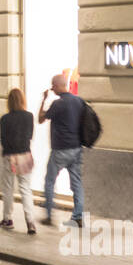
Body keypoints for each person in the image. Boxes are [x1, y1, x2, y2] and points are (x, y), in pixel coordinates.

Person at [38, 72, 86, 227]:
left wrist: (44, 99)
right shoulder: (79, 101)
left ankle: (49, 215)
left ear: (58, 86)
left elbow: (40, 119)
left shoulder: (58, 104)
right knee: (76, 183)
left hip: (60, 150)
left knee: (49, 181)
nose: (52, 88)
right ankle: (78, 216)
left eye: (53, 85)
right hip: (76, 148)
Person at [0, 88, 38, 235]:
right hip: (25, 155)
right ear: (22, 100)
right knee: (25, 188)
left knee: (8, 188)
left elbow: (3, 140)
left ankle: (7, 219)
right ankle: (30, 222)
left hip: (10, 155)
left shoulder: (4, 119)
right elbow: (30, 136)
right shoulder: (29, 116)